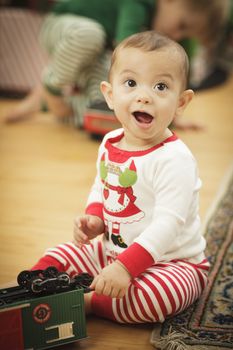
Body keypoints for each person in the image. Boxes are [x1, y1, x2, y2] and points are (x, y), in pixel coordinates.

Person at [31, 31, 209, 323]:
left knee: (157, 298)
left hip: (171, 262)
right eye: (130, 83)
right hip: (114, 250)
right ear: (110, 95)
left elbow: (168, 224)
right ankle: (33, 290)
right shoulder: (111, 141)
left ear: (181, 102)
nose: (144, 95)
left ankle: (87, 302)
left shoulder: (174, 159)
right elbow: (101, 187)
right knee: (60, 253)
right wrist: (95, 218)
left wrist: (126, 269)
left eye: (161, 86)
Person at [4, 0, 229, 131]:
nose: (176, 35)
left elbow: (164, 71)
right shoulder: (138, 3)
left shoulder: (159, 19)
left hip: (97, 49)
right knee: (90, 36)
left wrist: (167, 113)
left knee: (108, 109)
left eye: (185, 33)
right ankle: (50, 89)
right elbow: (128, 55)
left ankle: (44, 104)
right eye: (181, 24)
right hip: (62, 28)